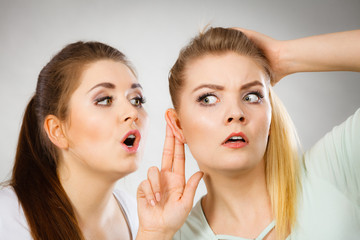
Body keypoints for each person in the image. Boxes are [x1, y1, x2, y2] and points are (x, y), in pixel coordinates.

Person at [140, 27, 360, 239]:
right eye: (208, 99)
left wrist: (284, 56)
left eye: (251, 96)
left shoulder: (333, 173)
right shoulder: (173, 234)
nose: (236, 113)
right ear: (178, 125)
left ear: (271, 115)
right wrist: (154, 236)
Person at [0, 41, 203, 240]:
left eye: (136, 100)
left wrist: (156, 234)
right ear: (57, 131)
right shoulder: (8, 218)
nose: (132, 112)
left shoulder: (136, 215)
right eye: (105, 100)